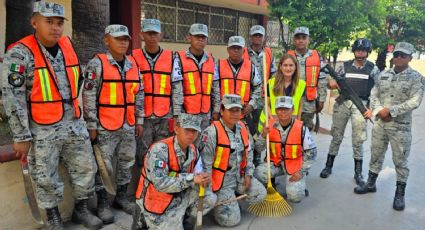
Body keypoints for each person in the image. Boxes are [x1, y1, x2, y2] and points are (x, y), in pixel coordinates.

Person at [1, 1, 101, 229]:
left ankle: (81, 210)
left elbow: (81, 85)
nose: (55, 27)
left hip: (74, 123)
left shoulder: (68, 45)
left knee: (86, 168)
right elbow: (12, 97)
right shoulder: (20, 53)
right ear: (34, 22)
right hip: (42, 128)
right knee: (45, 175)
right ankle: (54, 217)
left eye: (59, 22)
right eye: (49, 22)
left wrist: (88, 121)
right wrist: (20, 136)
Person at [82, 25, 143, 222]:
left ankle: (121, 198)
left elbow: (138, 94)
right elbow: (89, 95)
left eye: (126, 38)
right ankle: (102, 204)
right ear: (106, 41)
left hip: (128, 125)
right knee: (103, 166)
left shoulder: (133, 65)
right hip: (104, 126)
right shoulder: (97, 64)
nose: (123, 42)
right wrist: (91, 125)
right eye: (118, 38)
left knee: (126, 162)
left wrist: (139, 120)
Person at [354, 42, 425, 211]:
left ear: (410, 58)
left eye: (403, 55)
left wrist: (391, 111)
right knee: (376, 154)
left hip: (400, 126)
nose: (399, 58)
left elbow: (415, 101)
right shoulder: (384, 74)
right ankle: (371, 184)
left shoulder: (417, 78)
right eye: (397, 54)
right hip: (380, 123)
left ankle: (399, 194)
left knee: (400, 160)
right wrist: (379, 110)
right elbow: (374, 94)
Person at [132, 113, 216, 230]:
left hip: (177, 194)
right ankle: (143, 219)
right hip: (156, 199)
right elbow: (160, 184)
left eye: (194, 131)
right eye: (187, 130)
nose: (191, 135)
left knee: (209, 198)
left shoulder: (193, 151)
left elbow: (198, 176)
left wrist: (204, 179)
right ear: (176, 129)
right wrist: (192, 178)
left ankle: (180, 216)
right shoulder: (160, 150)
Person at [199, 94, 266, 227]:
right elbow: (204, 166)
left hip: (238, 177)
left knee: (260, 194)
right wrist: (209, 193)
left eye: (238, 110)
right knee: (232, 221)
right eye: (231, 110)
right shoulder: (211, 133)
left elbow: (250, 152)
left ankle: (231, 201)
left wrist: (248, 174)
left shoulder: (242, 128)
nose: (235, 114)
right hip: (221, 183)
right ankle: (217, 207)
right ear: (222, 111)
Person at [320, 38, 380, 185]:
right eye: (358, 49)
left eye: (363, 49)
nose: (360, 51)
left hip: (361, 105)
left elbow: (378, 91)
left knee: (358, 140)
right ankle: (328, 166)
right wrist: (331, 84)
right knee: (336, 136)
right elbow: (330, 83)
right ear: (354, 51)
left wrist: (371, 109)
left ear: (367, 52)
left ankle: (358, 173)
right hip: (343, 104)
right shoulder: (344, 66)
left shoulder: (373, 69)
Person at [254, 96, 317, 203]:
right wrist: (263, 135)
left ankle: (300, 183)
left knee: (295, 197)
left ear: (292, 109)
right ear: (275, 110)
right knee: (258, 173)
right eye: (280, 109)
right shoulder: (269, 125)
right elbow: (258, 149)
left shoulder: (301, 128)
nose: (283, 112)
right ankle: (271, 185)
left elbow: (312, 153)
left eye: (286, 109)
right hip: (275, 164)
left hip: (294, 165)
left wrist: (301, 172)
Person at [132, 19, 177, 165]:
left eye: (155, 33)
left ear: (161, 35)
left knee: (163, 152)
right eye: (148, 33)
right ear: (141, 35)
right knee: (143, 154)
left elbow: (177, 87)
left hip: (165, 115)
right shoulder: (133, 57)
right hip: (143, 117)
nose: (152, 37)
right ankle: (144, 184)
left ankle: (159, 186)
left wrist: (176, 114)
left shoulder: (171, 57)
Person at [174, 23, 220, 131]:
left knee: (204, 145)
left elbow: (215, 88)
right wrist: (177, 114)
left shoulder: (211, 60)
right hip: (187, 114)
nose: (200, 39)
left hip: (206, 115)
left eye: (203, 37)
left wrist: (216, 110)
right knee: (187, 145)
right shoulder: (179, 59)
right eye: (197, 36)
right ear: (189, 37)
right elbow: (177, 89)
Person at [287, 27, 328, 131]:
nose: (301, 40)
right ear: (294, 40)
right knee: (290, 129)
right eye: (298, 38)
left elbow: (322, 79)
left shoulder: (317, 57)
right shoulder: (288, 56)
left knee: (306, 131)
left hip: (309, 102)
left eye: (304, 38)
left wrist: (321, 100)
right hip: (290, 100)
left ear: (308, 40)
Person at [258, 54, 306, 133]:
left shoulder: (301, 84)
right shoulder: (271, 83)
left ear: (295, 67)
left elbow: (300, 107)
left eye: (291, 65)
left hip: (291, 123)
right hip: (273, 123)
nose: (288, 68)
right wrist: (272, 119)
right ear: (280, 67)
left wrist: (297, 124)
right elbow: (267, 104)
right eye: (285, 65)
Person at [218, 36, 262, 122]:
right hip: (224, 114)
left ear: (244, 50)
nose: (236, 50)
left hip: (243, 115)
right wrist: (216, 110)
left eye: (239, 48)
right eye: (233, 47)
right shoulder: (219, 66)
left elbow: (259, 87)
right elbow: (214, 90)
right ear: (228, 50)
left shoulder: (251, 67)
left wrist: (251, 105)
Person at [243, 25, 277, 134]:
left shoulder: (269, 53)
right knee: (245, 127)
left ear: (264, 38)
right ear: (250, 37)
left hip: (262, 98)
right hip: (246, 98)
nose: (257, 38)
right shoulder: (243, 52)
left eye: (260, 35)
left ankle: (257, 150)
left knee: (259, 127)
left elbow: (274, 74)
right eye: (255, 35)